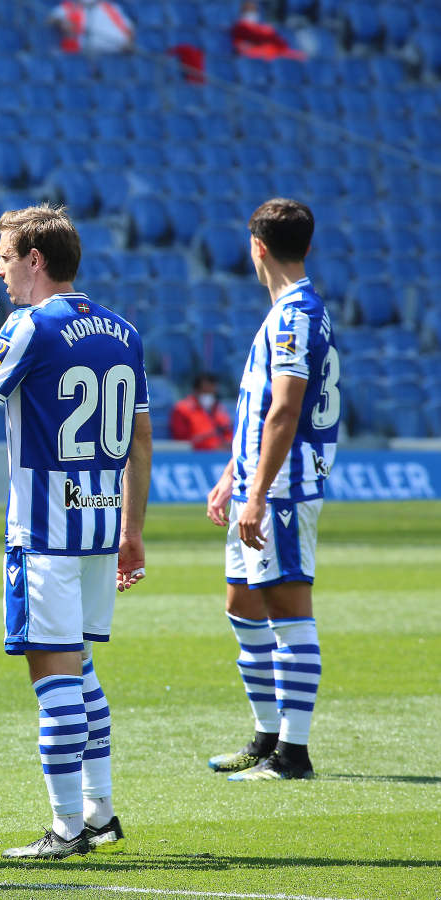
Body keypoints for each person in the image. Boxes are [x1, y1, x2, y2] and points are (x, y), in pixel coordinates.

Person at [0, 204, 151, 860]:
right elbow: (142, 439)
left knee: (55, 678)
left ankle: (67, 828)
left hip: (43, 531)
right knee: (82, 669)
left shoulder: (30, 327)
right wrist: (133, 529)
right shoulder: (122, 330)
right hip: (99, 527)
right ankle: (101, 810)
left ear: (36, 259)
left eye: (5, 256)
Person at [204, 198, 336, 782]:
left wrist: (256, 491)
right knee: (242, 602)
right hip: (259, 478)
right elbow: (262, 409)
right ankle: (265, 735)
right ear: (305, 245)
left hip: (281, 485)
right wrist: (233, 476)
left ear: (257, 246)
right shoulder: (294, 310)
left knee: (288, 610)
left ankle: (294, 753)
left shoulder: (294, 314)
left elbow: (284, 410)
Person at [170, 373, 235, 450]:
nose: (209, 395)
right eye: (205, 391)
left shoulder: (220, 409)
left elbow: (228, 432)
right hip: (196, 454)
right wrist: (210, 446)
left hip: (222, 452)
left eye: (212, 392)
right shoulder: (181, 409)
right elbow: (181, 439)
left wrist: (227, 443)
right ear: (196, 390)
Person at [50, 0, 135, 54]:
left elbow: (129, 29)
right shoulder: (70, 7)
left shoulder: (110, 8)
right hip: (86, 50)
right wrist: (61, 23)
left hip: (116, 51)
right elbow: (52, 19)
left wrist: (129, 41)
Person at [231, 1, 306, 61]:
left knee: (301, 57)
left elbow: (282, 46)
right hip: (261, 58)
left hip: (276, 54)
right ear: (242, 12)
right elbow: (243, 49)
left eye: (254, 10)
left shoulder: (264, 28)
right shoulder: (240, 27)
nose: (251, 13)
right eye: (248, 10)